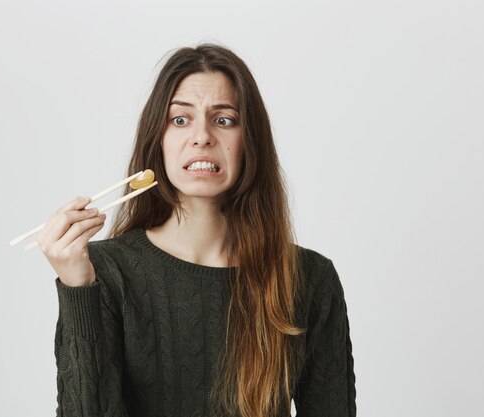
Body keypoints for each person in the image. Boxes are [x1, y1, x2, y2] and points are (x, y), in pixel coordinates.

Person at [37, 43, 357, 417]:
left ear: (249, 141)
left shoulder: (310, 279)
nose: (202, 136)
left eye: (224, 120)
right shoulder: (104, 274)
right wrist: (77, 290)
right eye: (180, 120)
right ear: (159, 141)